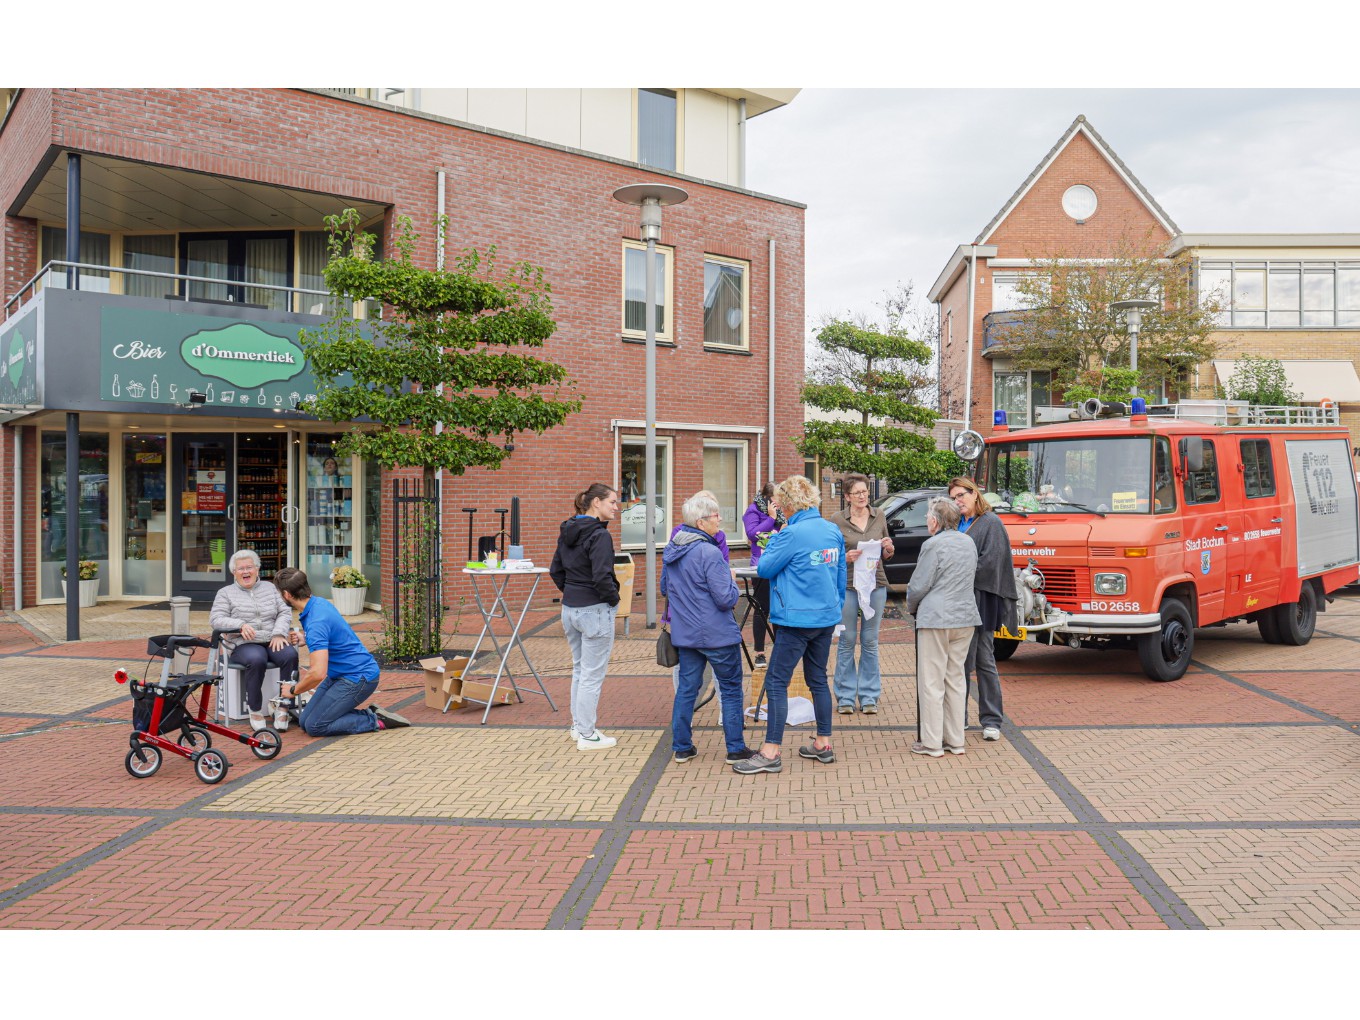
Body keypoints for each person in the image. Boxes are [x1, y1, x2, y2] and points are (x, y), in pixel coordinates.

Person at [732, 475, 845, 775]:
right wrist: (834, 609)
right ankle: (823, 743)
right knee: (818, 679)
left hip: (796, 619)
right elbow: (840, 575)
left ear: (789, 504)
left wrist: (774, 540)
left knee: (776, 681)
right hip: (825, 617)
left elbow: (765, 568)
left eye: (781, 503)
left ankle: (770, 751)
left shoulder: (790, 534)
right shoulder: (832, 530)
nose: (778, 508)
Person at [661, 493, 754, 765]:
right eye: (716, 516)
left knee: (688, 689)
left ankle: (682, 747)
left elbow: (666, 588)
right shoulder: (709, 552)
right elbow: (725, 599)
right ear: (701, 522)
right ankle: (735, 748)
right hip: (717, 635)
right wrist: (732, 580)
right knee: (731, 688)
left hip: (686, 633)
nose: (720, 520)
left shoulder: (672, 550)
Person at [273, 566, 410, 736]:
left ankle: (374, 719)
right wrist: (306, 638)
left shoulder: (316, 622)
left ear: (287, 594)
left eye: (279, 593)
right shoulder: (318, 603)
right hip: (340, 675)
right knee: (304, 722)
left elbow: (317, 673)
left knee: (316, 726)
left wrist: (294, 690)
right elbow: (329, 635)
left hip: (358, 678)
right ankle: (351, 713)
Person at [905, 497, 980, 757]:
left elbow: (919, 585)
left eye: (927, 516)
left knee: (932, 681)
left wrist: (911, 607)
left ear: (935, 521)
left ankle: (932, 742)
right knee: (956, 679)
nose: (926, 520)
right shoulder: (968, 541)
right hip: (965, 616)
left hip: (936, 618)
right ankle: (955, 739)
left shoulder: (932, 544)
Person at [550, 483, 621, 751]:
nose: (616, 507)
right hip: (595, 609)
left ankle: (578, 727)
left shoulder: (568, 530)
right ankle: (588, 735)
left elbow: (556, 570)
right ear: (596, 503)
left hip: (570, 608)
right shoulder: (600, 536)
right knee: (591, 675)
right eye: (612, 502)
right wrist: (613, 600)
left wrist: (571, 593)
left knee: (580, 670)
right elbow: (602, 576)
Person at [949, 475, 1019, 742]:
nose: (958, 501)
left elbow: (990, 564)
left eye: (961, 495)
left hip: (983, 599)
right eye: (953, 498)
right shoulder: (955, 523)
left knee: (983, 659)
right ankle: (959, 716)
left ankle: (991, 719)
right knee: (960, 660)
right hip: (959, 600)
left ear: (974, 494)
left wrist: (955, 574)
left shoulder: (991, 523)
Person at [210, 549, 299, 732]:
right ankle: (255, 709)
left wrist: (279, 633)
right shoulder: (225, 593)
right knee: (256, 659)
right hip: (243, 643)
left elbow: (285, 611)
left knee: (290, 655)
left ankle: (283, 706)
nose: (245, 572)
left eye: (249, 567)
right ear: (234, 572)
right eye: (240, 568)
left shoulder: (271, 588)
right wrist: (240, 625)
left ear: (257, 569)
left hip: (272, 638)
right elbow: (216, 619)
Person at [829, 472, 895, 714]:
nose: (862, 496)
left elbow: (886, 554)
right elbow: (829, 554)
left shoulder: (879, 515)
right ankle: (845, 697)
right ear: (847, 496)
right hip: (846, 584)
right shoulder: (836, 520)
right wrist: (845, 557)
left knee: (870, 641)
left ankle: (869, 697)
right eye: (857, 492)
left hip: (875, 584)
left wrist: (888, 549)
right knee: (846, 640)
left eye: (865, 491)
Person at [741, 482, 784, 666]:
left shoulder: (783, 513)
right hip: (761, 567)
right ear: (767, 499)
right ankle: (759, 652)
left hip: (780, 566)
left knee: (778, 609)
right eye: (776, 498)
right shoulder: (753, 511)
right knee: (761, 609)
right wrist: (771, 518)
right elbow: (752, 534)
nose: (779, 502)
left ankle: (780, 650)